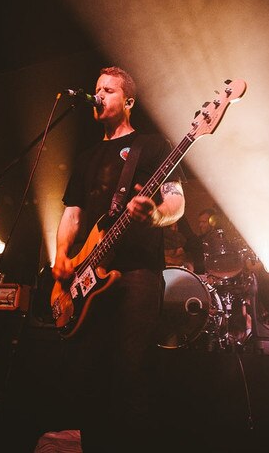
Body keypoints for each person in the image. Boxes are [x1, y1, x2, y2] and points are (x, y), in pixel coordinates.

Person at [52, 66, 185, 452]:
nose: (99, 95)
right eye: (96, 89)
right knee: (89, 376)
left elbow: (175, 201)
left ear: (128, 101)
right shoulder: (87, 157)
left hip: (137, 273)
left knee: (131, 371)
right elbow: (72, 214)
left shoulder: (153, 146)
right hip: (87, 275)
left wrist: (154, 213)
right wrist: (62, 257)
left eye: (108, 90)